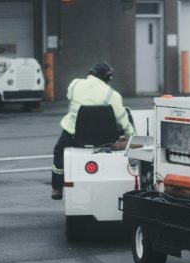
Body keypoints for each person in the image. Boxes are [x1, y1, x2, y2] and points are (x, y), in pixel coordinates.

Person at [51, 61, 134, 199]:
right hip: (101, 140)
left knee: (59, 153)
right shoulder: (113, 95)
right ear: (108, 78)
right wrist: (131, 136)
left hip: (72, 136)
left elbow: (69, 97)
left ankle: (57, 189)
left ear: (91, 73)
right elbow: (123, 120)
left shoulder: (75, 84)